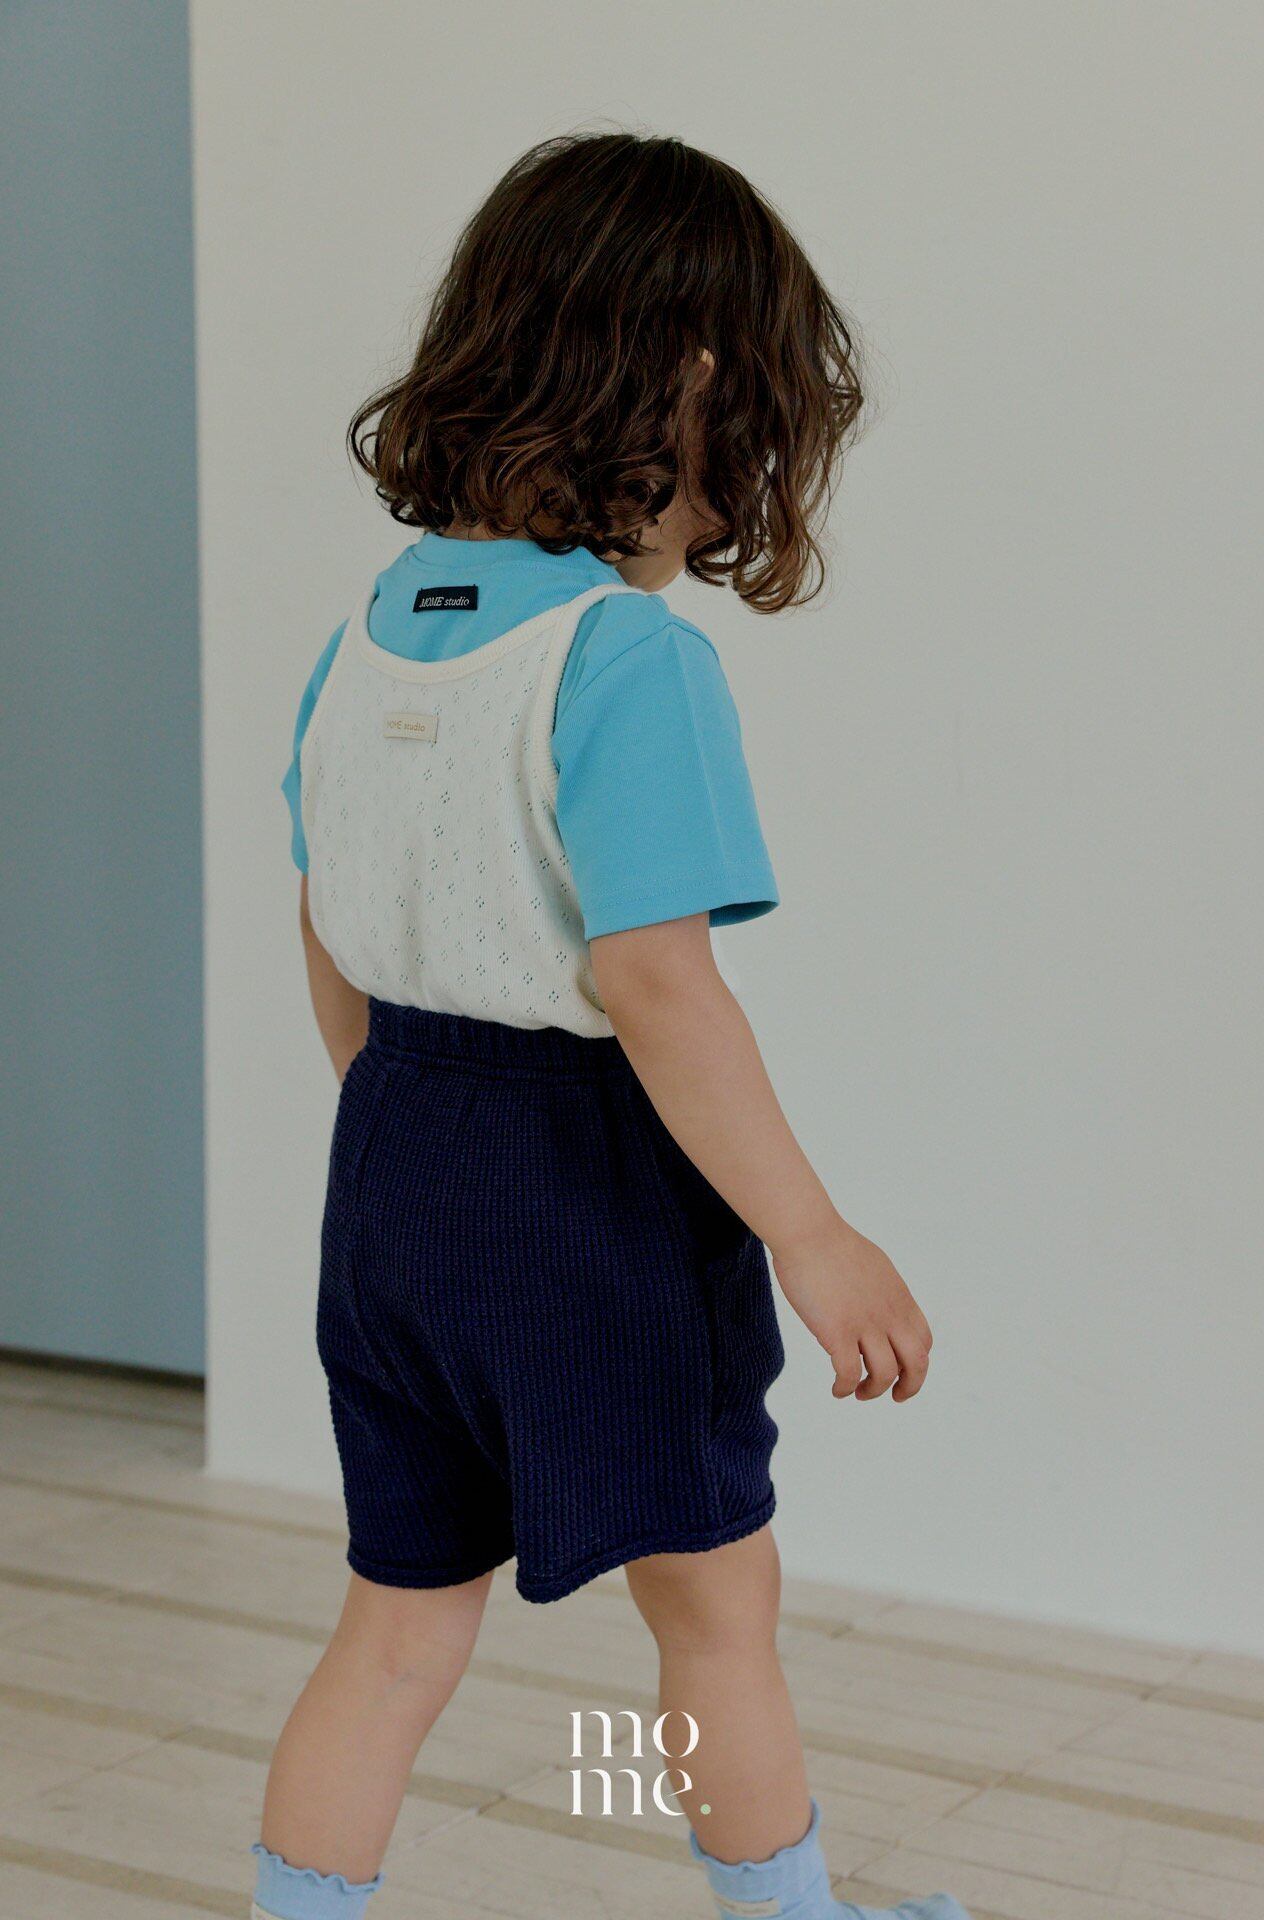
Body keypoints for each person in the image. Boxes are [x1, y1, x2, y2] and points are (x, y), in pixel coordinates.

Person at [256, 131, 968, 1920]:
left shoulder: (365, 637)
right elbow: (657, 986)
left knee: (398, 1621)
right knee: (717, 1605)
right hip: (588, 1190)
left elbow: (327, 929)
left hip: (393, 1168)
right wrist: (811, 1236)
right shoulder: (623, 660)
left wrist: (406, 1143)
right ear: (696, 381)